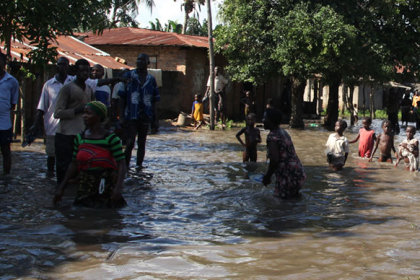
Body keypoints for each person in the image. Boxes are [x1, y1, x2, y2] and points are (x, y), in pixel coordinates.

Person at [53, 101, 127, 208]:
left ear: (98, 116)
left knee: (105, 215)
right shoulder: (80, 138)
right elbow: (74, 164)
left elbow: (121, 164)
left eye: (88, 113)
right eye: (84, 113)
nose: (84, 116)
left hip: (104, 187)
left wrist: (118, 188)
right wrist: (61, 187)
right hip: (85, 187)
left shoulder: (110, 139)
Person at [54, 59, 95, 184]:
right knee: (63, 169)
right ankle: (61, 194)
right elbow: (57, 113)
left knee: (80, 167)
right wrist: (75, 110)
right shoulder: (68, 89)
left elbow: (94, 109)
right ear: (75, 71)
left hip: (82, 135)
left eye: (87, 71)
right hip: (65, 134)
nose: (85, 74)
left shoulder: (89, 89)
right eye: (82, 71)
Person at [118, 53, 160, 169]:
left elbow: (155, 100)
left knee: (142, 142)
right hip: (131, 115)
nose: (139, 62)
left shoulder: (151, 80)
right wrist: (121, 117)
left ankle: (139, 166)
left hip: (146, 115)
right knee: (130, 142)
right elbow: (121, 98)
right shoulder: (128, 76)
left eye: (142, 60)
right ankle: (125, 166)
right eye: (138, 60)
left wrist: (155, 119)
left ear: (148, 63)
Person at [262, 108, 306, 198]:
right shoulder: (283, 132)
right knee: (293, 201)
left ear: (271, 120)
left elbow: (274, 160)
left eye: (265, 118)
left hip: (287, 176)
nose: (263, 120)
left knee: (280, 206)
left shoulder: (272, 136)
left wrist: (267, 176)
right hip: (298, 173)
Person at [0, 52, 19, 175]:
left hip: (4, 122)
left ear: (4, 63)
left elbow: (13, 103)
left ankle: (6, 177)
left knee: (6, 150)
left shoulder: (12, 81)